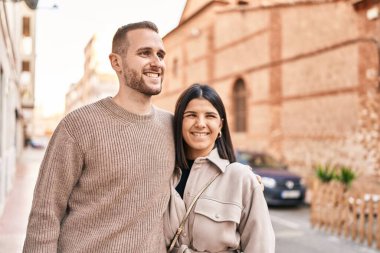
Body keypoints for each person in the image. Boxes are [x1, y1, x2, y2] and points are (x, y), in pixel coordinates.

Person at [23, 21, 175, 253]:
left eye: (160, 55)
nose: (156, 63)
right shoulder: (78, 126)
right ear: (116, 62)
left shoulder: (172, 126)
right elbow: (45, 214)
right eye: (145, 53)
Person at [164, 84, 275, 253]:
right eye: (191, 115)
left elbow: (261, 247)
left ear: (220, 125)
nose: (200, 124)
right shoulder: (163, 175)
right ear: (179, 122)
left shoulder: (241, 178)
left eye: (210, 116)